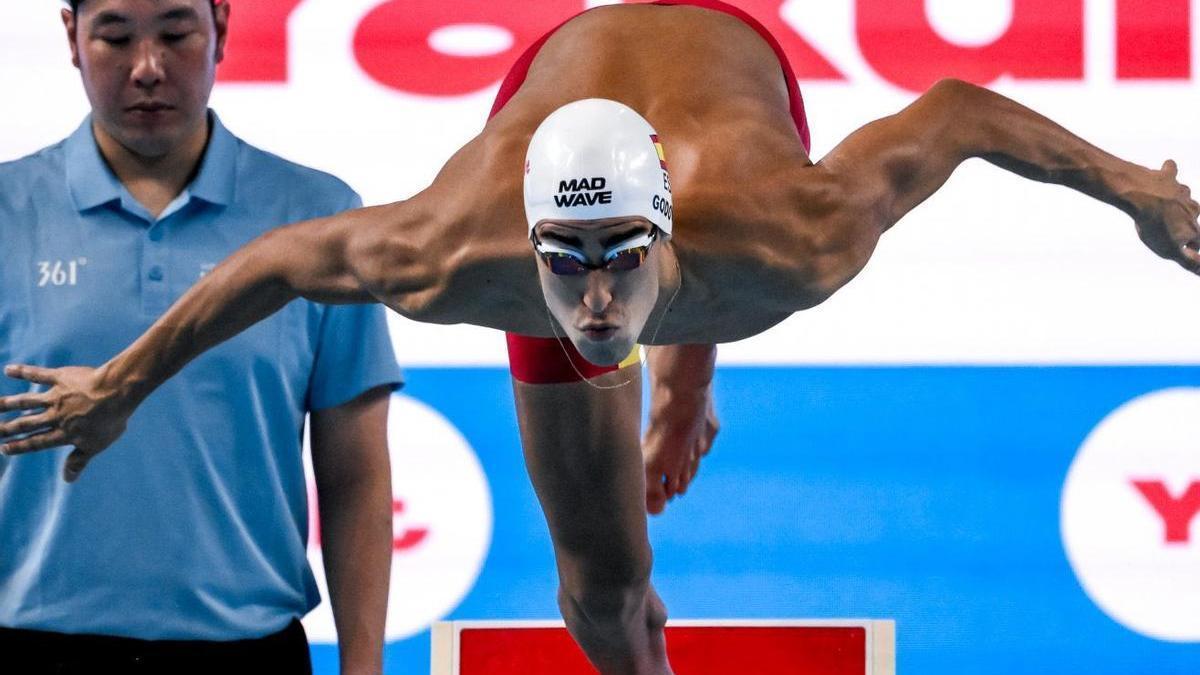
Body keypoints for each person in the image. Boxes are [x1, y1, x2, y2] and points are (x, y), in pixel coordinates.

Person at [3, 0, 1198, 673]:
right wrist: (121, 384)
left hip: (731, 90)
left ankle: (687, 377)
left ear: (667, 227)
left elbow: (963, 111)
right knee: (602, 590)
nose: (586, 306)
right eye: (558, 267)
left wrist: (1135, 190)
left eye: (614, 265)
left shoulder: (800, 233)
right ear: (524, 244)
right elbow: (272, 263)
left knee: (679, 324)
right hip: (558, 106)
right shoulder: (454, 251)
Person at [0, 1, 401, 673]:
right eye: (116, 37)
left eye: (176, 34)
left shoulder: (318, 216)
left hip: (248, 651)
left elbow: (355, 472)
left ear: (222, 26)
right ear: (72, 36)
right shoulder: (10, 214)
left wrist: (364, 664)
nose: (148, 68)